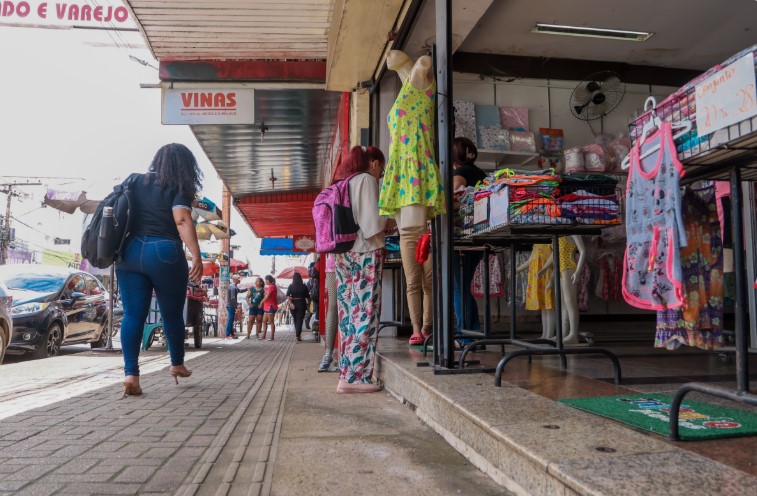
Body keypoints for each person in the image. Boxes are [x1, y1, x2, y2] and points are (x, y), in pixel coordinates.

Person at [117, 143, 203, 397]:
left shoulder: (134, 180)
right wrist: (196, 255)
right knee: (172, 314)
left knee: (133, 315)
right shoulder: (180, 188)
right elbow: (182, 219)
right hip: (164, 251)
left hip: (129, 252)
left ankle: (131, 374)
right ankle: (176, 363)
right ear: (186, 166)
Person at [378, 49, 445, 346]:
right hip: (403, 179)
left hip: (416, 171)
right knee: (414, 279)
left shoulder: (420, 71)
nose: (388, 55)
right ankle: (418, 327)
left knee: (425, 279)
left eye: (392, 51)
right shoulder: (406, 81)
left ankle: (425, 327)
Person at [334, 146, 388, 393]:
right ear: (374, 164)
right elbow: (373, 225)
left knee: (348, 314)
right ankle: (357, 378)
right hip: (365, 253)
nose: (381, 175)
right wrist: (392, 220)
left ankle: (346, 374)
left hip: (344, 254)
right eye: (382, 170)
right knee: (365, 312)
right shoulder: (366, 180)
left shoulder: (345, 182)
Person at [451, 137, 487, 337]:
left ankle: (465, 335)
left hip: (462, 236)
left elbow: (452, 197)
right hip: (480, 235)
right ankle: (472, 333)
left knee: (459, 287)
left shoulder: (460, 173)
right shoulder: (481, 173)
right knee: (463, 286)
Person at [318, 253, 338, 372]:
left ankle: (348, 354)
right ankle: (328, 354)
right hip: (333, 263)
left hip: (356, 259)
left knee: (352, 307)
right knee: (333, 306)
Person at [286, 272, 311, 341]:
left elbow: (287, 296)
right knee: (300, 319)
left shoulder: (291, 286)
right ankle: (298, 335)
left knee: (295, 319)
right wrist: (309, 303)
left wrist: (290, 303)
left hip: (293, 303)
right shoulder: (304, 286)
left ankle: (297, 333)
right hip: (301, 303)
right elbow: (308, 297)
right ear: (300, 278)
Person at [225, 274, 247, 339]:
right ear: (235, 280)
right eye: (238, 279)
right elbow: (233, 298)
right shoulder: (233, 287)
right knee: (230, 320)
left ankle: (231, 334)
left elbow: (240, 290)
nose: (240, 280)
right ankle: (227, 334)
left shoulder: (234, 287)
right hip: (231, 306)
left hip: (231, 306)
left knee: (231, 321)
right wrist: (236, 306)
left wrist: (247, 289)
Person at [259, 275, 278, 341]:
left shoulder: (272, 287)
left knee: (271, 322)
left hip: (271, 306)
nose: (265, 281)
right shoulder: (269, 287)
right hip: (267, 306)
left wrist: (261, 302)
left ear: (269, 280)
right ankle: (263, 335)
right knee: (264, 321)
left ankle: (272, 336)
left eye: (266, 280)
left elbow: (267, 297)